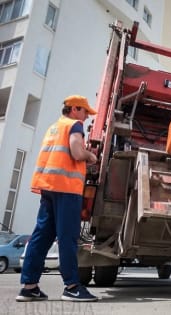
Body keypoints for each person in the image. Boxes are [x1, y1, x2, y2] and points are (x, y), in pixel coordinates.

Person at [16, 95, 99, 302]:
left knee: (41, 236)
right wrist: (91, 156)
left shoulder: (54, 128)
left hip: (49, 188)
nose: (87, 116)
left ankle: (29, 286)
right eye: (85, 111)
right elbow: (77, 152)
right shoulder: (74, 125)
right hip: (67, 189)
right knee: (67, 237)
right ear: (74, 109)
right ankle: (72, 286)